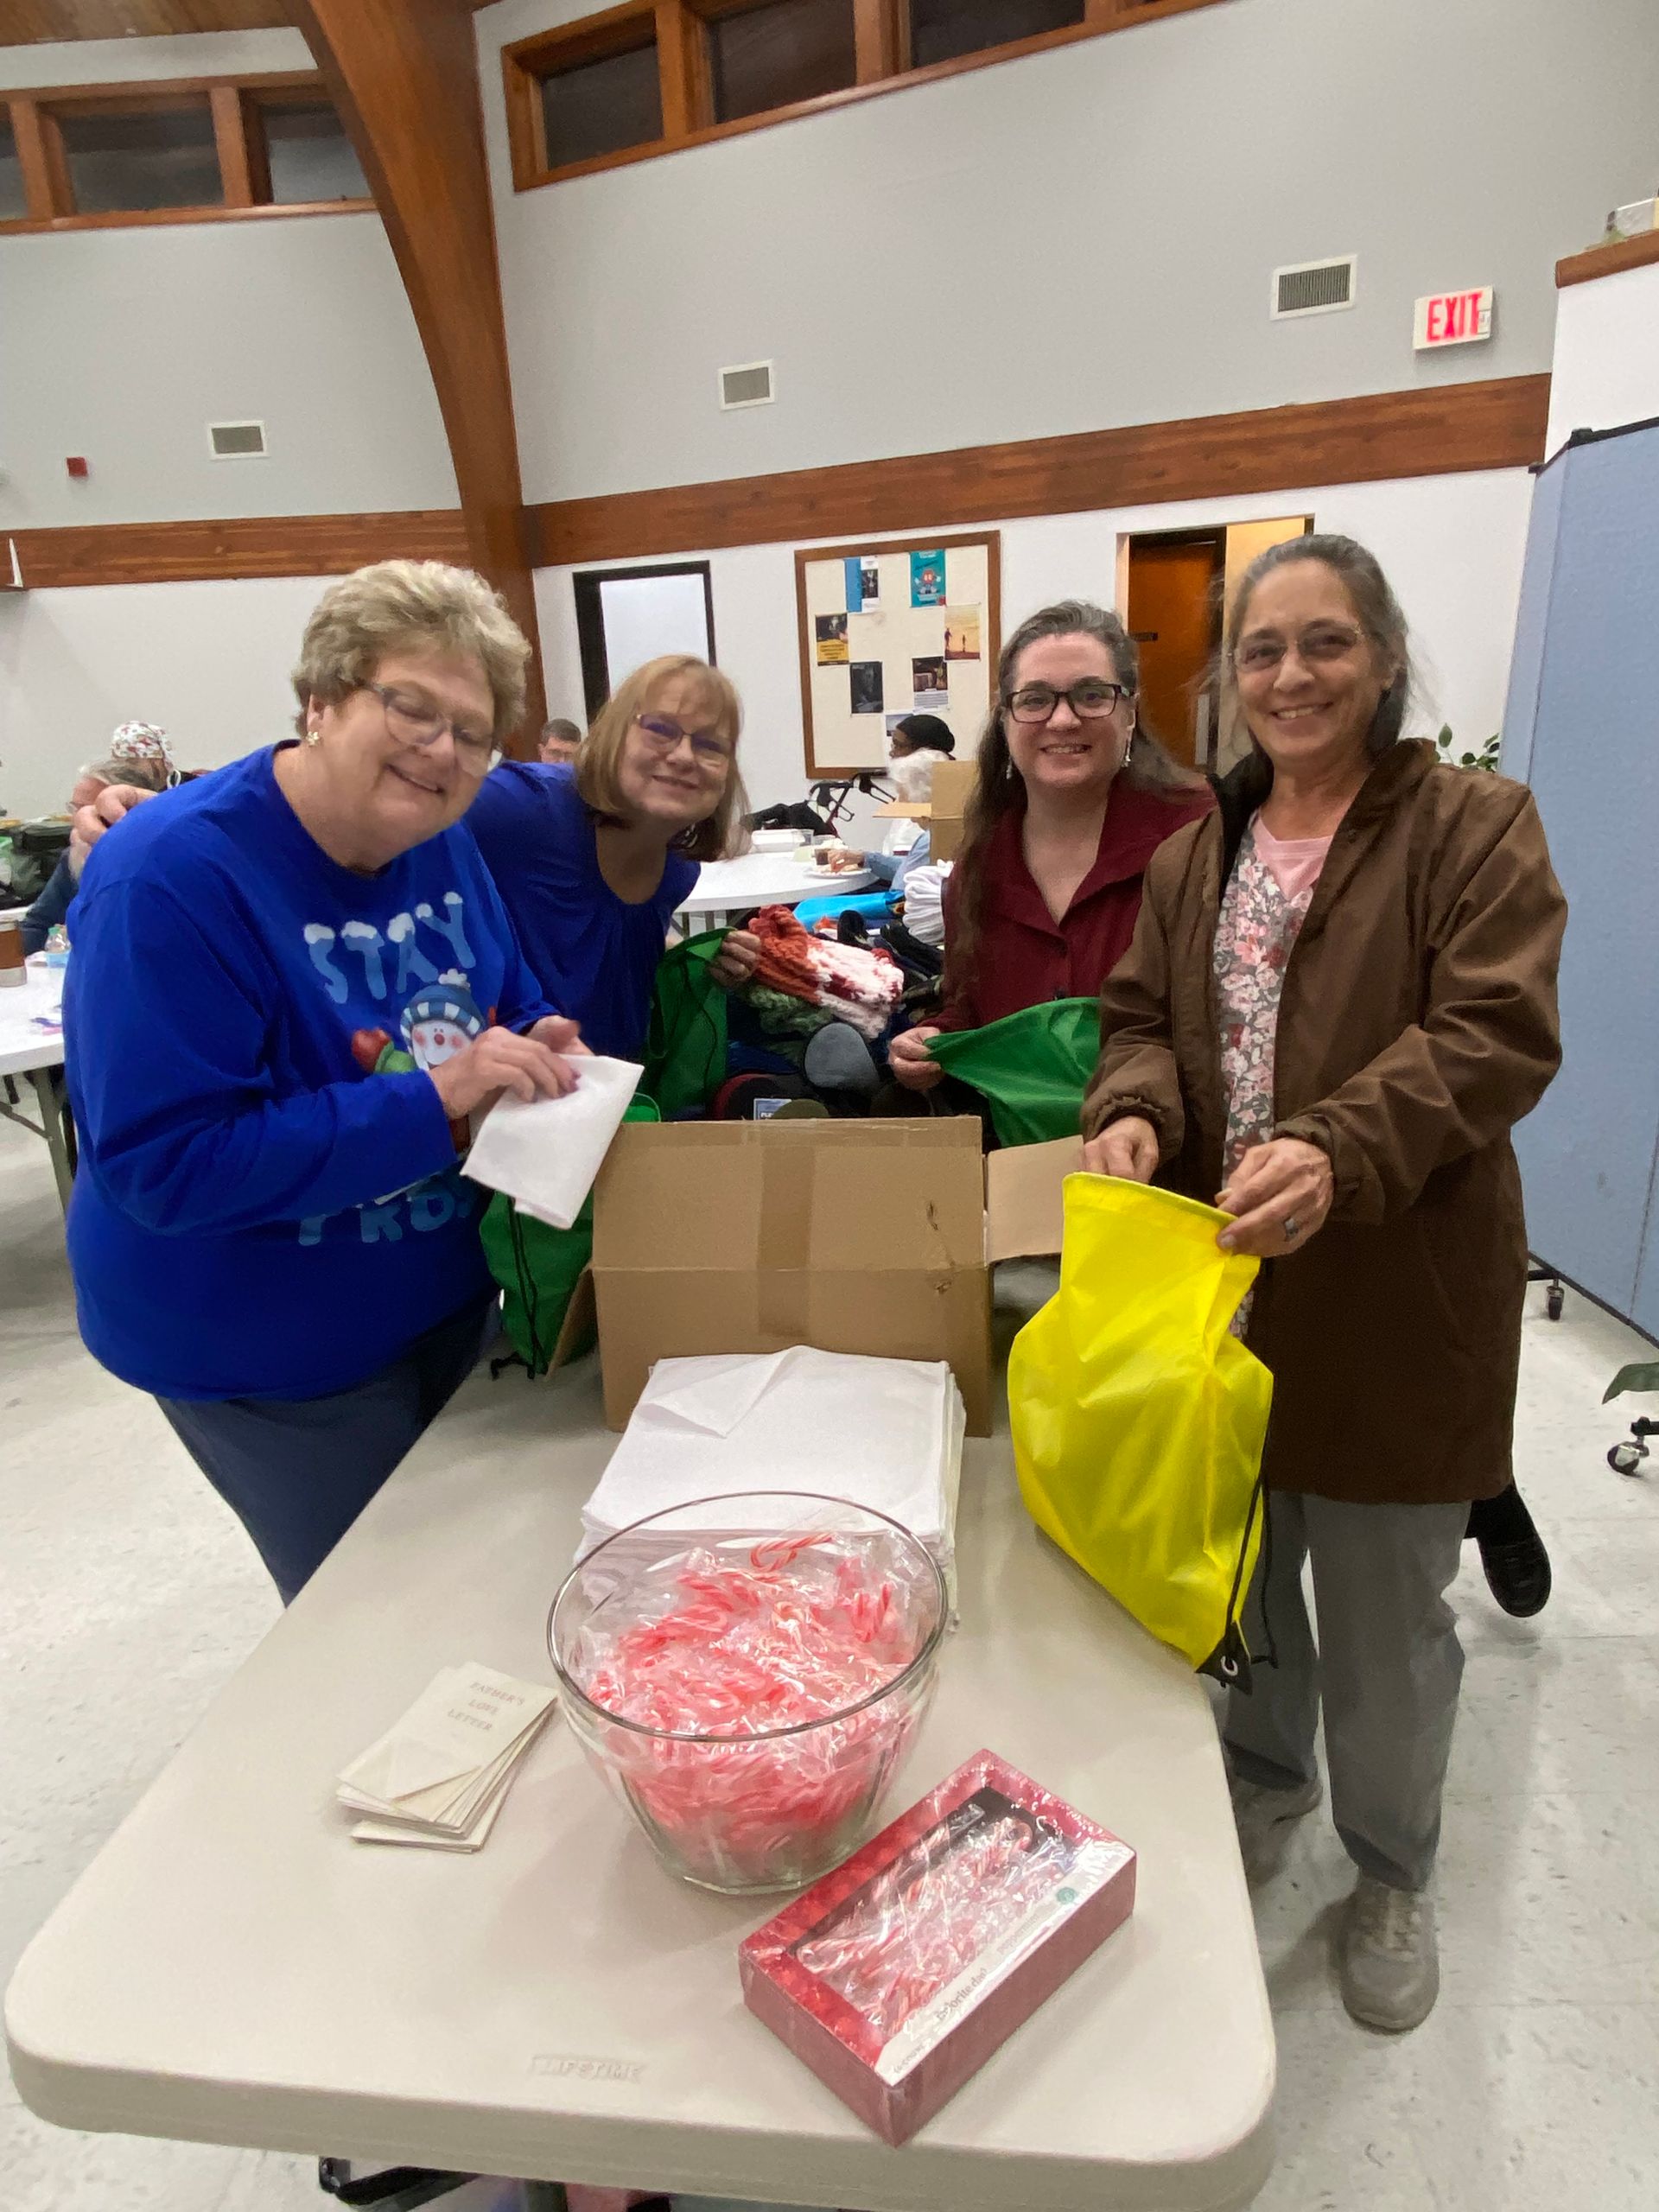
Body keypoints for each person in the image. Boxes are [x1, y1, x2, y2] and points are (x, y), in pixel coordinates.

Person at [1080, 533, 1566, 2031]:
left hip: (1397, 1295)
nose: (1291, 674)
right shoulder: (1192, 855)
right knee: (1251, 1584)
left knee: (1384, 1619)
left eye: (1327, 642)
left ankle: (1393, 1867)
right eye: (1264, 649)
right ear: (1227, 679)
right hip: (1229, 1297)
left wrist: (1336, 1152)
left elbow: (1494, 1035)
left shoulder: (1475, 828)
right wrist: (1137, 1106)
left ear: (1384, 659)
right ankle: (1267, 1781)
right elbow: (1142, 1014)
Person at [64, 561, 582, 1604]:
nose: (443, 750)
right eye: (410, 706)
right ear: (321, 698)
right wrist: (436, 1100)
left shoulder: (444, 841)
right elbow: (167, 1166)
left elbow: (507, 992)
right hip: (269, 1347)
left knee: (479, 1589)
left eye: (473, 732)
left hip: (443, 1294)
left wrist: (533, 1036)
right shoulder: (171, 876)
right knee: (374, 1625)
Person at [886, 600, 1211, 1097]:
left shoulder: (1197, 835)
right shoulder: (981, 866)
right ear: (1006, 718)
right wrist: (936, 1039)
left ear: (1129, 713)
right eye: (1035, 699)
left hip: (1171, 1154)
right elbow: (969, 1008)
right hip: (1024, 1156)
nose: (1062, 720)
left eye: (1091, 695)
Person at [466, 654, 758, 1059]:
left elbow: (613, 944)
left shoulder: (678, 868)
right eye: (660, 730)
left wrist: (692, 955)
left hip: (607, 1099)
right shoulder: (517, 809)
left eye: (711, 745)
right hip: (489, 1103)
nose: (684, 756)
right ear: (614, 735)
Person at [21, 731, 174, 953]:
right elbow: (38, 926)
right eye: (75, 809)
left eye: (91, 811)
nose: (80, 822)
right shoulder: (73, 859)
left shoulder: (161, 862)